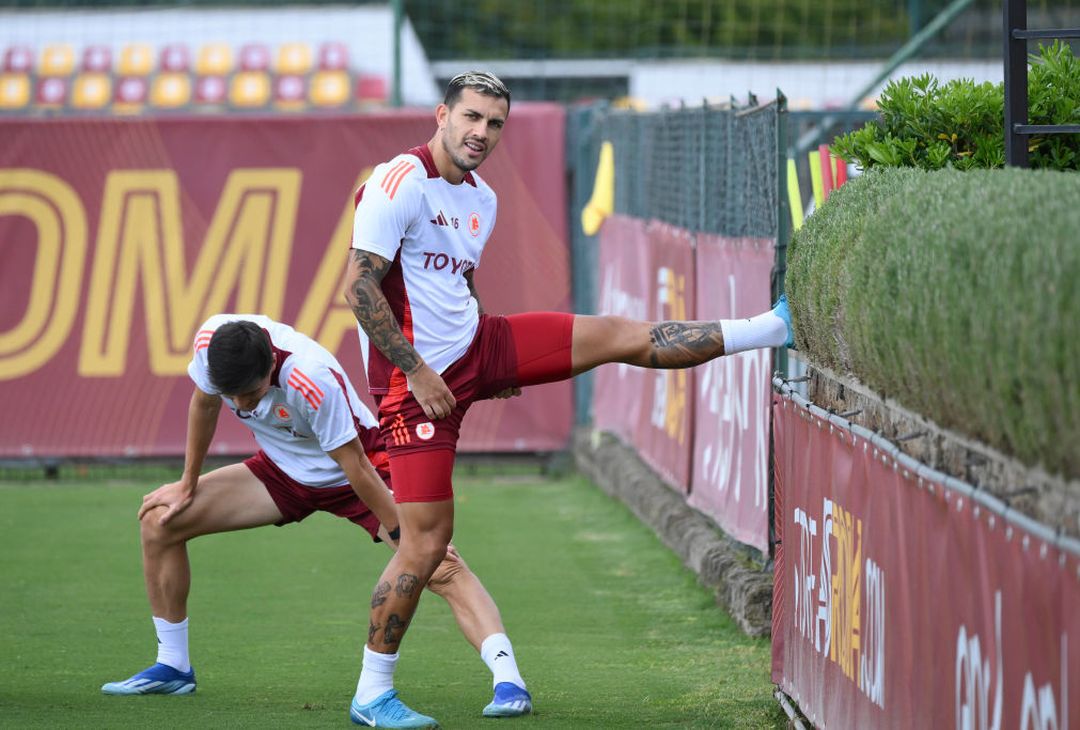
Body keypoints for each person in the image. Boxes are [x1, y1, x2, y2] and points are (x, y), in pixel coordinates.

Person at [344, 71, 794, 728]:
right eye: (470, 117)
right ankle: (371, 693)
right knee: (426, 545)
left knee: (613, 332)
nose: (481, 133)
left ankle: (769, 327)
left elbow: (455, 289)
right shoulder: (397, 182)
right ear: (442, 114)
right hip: (413, 391)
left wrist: (492, 365)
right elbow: (359, 290)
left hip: (476, 351)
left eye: (495, 124)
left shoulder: (483, 199)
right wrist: (417, 371)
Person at [101, 314, 533, 724]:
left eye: (249, 396)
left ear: (271, 363)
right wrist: (187, 482)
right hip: (280, 474)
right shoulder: (211, 347)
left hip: (358, 472)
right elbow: (204, 403)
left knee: (438, 565)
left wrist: (405, 536)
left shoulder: (310, 378)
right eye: (232, 395)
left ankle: (508, 680)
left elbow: (356, 467)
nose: (240, 404)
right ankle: (173, 666)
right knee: (159, 520)